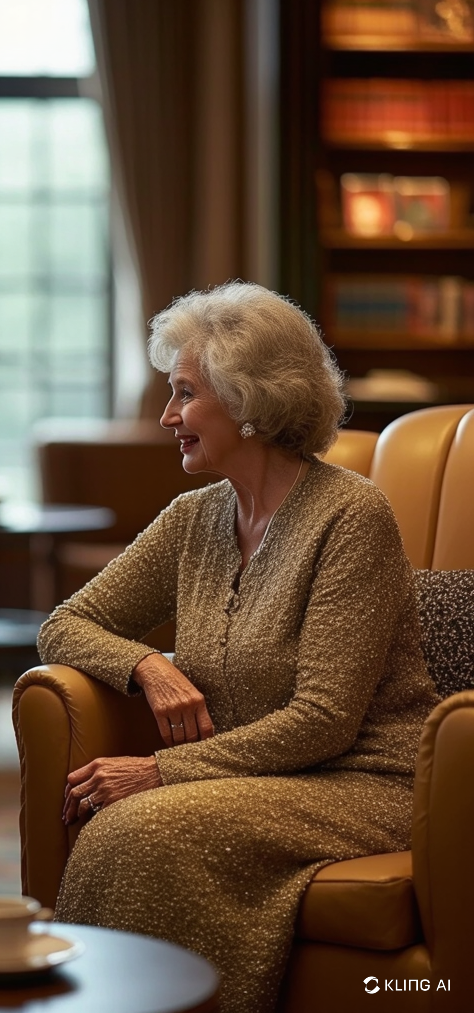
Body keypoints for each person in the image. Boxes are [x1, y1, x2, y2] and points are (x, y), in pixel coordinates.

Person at [37, 282, 440, 1013]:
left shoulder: (352, 515)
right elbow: (66, 623)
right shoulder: (195, 517)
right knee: (120, 826)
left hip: (364, 780)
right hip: (257, 778)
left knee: (144, 826)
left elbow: (324, 719)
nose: (167, 418)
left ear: (249, 399)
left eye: (184, 394)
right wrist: (147, 665)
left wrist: (161, 770)